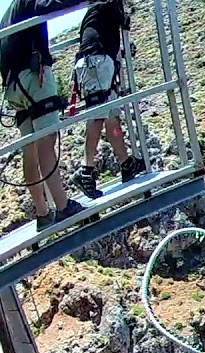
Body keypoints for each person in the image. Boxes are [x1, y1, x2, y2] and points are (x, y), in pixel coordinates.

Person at [0, 0, 87, 230]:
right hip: (33, 76)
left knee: (30, 149)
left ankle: (42, 212)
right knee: (47, 141)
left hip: (13, 86)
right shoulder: (26, 1)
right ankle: (63, 206)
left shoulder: (7, 16)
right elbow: (50, 5)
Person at [69, 0, 145, 199]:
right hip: (98, 60)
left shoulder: (99, 7)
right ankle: (86, 169)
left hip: (96, 61)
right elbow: (124, 21)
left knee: (111, 116)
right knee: (98, 116)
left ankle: (125, 162)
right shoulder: (110, 2)